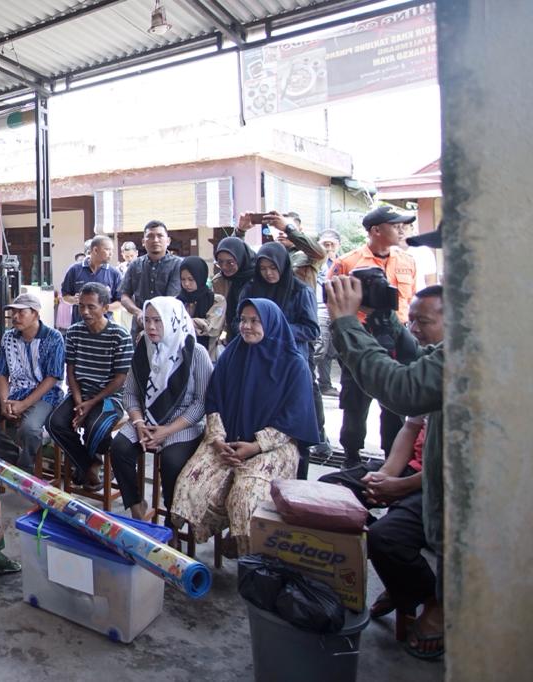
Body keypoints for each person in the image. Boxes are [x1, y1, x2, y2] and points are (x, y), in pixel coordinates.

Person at [326, 254, 445, 660]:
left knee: (387, 538)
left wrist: (346, 322)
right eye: (411, 321)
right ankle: (402, 586)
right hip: (415, 476)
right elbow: (410, 425)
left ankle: (434, 601)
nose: (414, 329)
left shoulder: (464, 355)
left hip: (438, 487)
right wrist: (387, 478)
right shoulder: (433, 355)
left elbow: (400, 389)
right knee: (333, 492)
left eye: (423, 322)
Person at [171, 298, 320, 557]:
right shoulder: (232, 355)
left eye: (255, 321)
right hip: (227, 439)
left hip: (273, 447)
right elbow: (214, 399)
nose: (246, 326)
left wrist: (255, 446)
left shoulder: (293, 364)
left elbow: (294, 418)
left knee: (245, 496)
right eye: (243, 320)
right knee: (190, 482)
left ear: (271, 324)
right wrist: (217, 439)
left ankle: (249, 555)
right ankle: (194, 537)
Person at [331, 205, 419, 468]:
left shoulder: (407, 261)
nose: (401, 230)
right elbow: (334, 302)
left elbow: (411, 301)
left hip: (397, 340)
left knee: (395, 403)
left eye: (403, 225)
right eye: (396, 225)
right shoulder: (348, 263)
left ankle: (393, 460)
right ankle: (351, 458)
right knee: (355, 403)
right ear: (376, 230)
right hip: (360, 340)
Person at [110, 297, 212, 522]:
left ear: (173, 320)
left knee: (171, 463)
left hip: (182, 423)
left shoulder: (195, 353)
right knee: (119, 448)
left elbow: (201, 403)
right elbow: (130, 394)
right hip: (145, 419)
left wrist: (166, 431)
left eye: (158, 320)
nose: (151, 327)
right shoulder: (143, 348)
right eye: (147, 320)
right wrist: (138, 423)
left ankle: (171, 523)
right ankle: (136, 506)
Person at [238, 242, 322, 477]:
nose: (268, 273)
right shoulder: (251, 288)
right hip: (256, 361)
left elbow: (312, 329)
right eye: (263, 268)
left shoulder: (300, 291)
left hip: (289, 362)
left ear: (283, 266)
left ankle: (298, 480)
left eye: (273, 268)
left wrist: (275, 329)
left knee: (294, 418)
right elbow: (238, 320)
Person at [48, 283, 133, 490]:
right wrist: (79, 402)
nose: (85, 312)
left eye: (91, 307)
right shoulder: (74, 332)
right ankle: (90, 464)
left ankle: (90, 465)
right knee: (53, 423)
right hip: (79, 394)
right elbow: (71, 371)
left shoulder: (120, 335)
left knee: (96, 427)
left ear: (105, 308)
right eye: (81, 306)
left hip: (109, 398)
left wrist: (91, 403)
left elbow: (120, 379)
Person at [0, 293, 64, 472]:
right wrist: (4, 402)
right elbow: (1, 374)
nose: (15, 316)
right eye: (13, 312)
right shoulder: (8, 337)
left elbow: (52, 378)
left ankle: (25, 467)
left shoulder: (53, 338)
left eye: (21, 312)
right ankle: (15, 460)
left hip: (45, 395)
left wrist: (24, 405)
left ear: (35, 313)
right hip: (15, 391)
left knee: (29, 430)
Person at [119, 220, 182, 335]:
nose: (155, 240)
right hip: (140, 327)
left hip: (167, 327)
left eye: (160, 236)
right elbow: (124, 296)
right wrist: (138, 312)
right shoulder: (135, 265)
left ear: (168, 241)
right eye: (150, 236)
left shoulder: (178, 264)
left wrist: (151, 318)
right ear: (143, 242)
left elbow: (171, 299)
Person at [60, 235, 122, 325]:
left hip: (105, 327)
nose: (111, 253)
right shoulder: (74, 270)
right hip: (80, 326)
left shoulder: (114, 273)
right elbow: (65, 296)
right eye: (107, 249)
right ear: (95, 250)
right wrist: (74, 300)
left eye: (112, 250)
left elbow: (120, 303)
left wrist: (103, 308)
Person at [177, 256, 225, 357]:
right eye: (183, 279)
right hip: (181, 356)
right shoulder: (177, 301)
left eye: (191, 279)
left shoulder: (216, 300)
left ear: (200, 277)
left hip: (208, 356)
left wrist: (183, 322)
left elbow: (212, 328)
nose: (186, 284)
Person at [211, 236, 255, 341]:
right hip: (231, 338)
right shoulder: (219, 281)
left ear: (240, 259)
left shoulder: (258, 277)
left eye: (230, 263)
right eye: (220, 262)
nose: (224, 267)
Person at [316, 230, 342, 396]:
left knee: (334, 350)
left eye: (332, 244)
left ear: (338, 245)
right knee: (320, 349)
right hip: (320, 309)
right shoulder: (314, 261)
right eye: (325, 244)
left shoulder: (342, 262)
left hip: (339, 310)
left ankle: (326, 384)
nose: (329, 248)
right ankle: (320, 383)